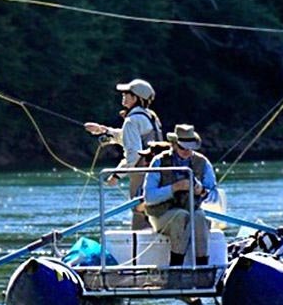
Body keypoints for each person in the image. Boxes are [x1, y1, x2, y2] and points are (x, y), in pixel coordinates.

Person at [83, 79, 163, 227]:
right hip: (159, 171)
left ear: (137, 98)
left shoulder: (132, 120)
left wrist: (117, 175)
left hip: (142, 173)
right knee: (154, 210)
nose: (123, 96)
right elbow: (131, 139)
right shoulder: (150, 117)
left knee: (139, 211)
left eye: (127, 94)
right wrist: (104, 130)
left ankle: (139, 239)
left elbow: (134, 154)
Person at [142, 124, 219, 267]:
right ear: (174, 145)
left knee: (200, 217)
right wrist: (174, 188)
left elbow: (214, 196)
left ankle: (203, 267)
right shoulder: (159, 161)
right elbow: (149, 197)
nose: (187, 151)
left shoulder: (203, 163)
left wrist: (201, 191)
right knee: (181, 216)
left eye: (190, 147)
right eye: (183, 147)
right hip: (161, 215)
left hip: (192, 212)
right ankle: (176, 266)